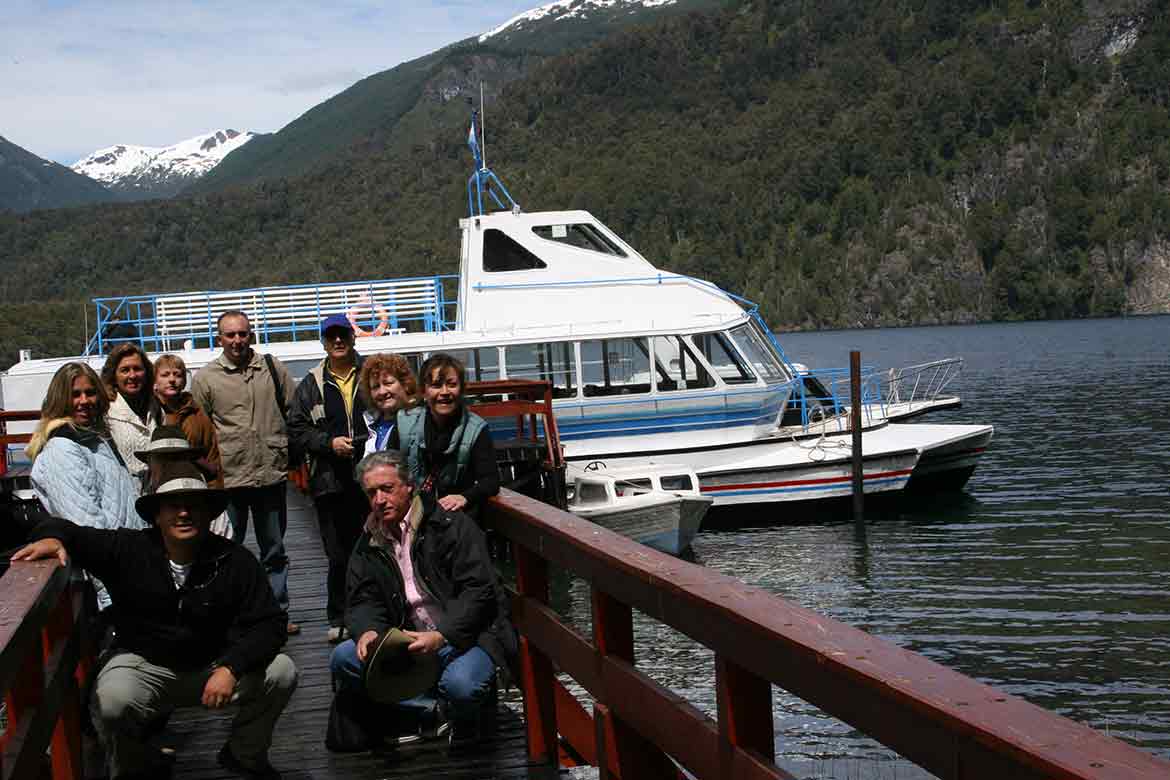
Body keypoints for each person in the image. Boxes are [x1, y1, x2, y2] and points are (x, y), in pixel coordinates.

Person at [11, 460, 298, 780]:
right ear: (157, 516)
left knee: (282, 671)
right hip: (146, 665)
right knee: (113, 698)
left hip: (213, 666)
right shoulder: (129, 549)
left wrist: (232, 666)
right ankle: (133, 766)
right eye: (173, 506)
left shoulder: (236, 560)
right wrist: (53, 538)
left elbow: (271, 623)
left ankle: (244, 754)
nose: (184, 514)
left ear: (208, 515)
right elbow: (65, 528)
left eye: (193, 506)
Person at [328, 450, 516, 749]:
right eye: (371, 492)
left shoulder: (450, 525)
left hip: (466, 637)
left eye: (387, 489)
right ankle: (431, 710)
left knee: (460, 685)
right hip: (407, 640)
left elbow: (479, 593)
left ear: (409, 486)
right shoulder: (369, 538)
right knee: (343, 658)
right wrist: (368, 629)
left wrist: (441, 636)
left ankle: (430, 706)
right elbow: (362, 597)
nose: (379, 500)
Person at [190, 310, 299, 635]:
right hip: (230, 478)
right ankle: (229, 615)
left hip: (270, 475)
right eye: (230, 335)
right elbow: (199, 429)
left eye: (243, 334)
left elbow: (293, 409)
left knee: (275, 549)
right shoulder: (206, 378)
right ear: (219, 338)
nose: (237, 341)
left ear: (251, 334)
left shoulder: (271, 367)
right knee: (223, 548)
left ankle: (277, 613)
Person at [26, 362, 145, 608]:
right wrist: (111, 599)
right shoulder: (62, 448)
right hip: (117, 587)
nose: (84, 401)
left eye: (90, 393)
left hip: (131, 566)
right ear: (60, 400)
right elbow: (85, 524)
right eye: (75, 394)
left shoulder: (93, 438)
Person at [287, 314, 369, 644]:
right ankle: (338, 616)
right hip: (329, 482)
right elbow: (295, 428)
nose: (338, 341)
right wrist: (328, 444)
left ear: (352, 338)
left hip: (370, 480)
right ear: (324, 342)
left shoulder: (371, 374)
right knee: (337, 554)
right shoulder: (311, 382)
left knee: (372, 549)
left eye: (343, 335)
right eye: (331, 336)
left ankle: (371, 614)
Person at [387, 353, 498, 519]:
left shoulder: (476, 429)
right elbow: (390, 472)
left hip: (454, 518)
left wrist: (465, 497)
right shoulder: (404, 422)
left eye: (452, 385)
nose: (444, 392)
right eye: (436, 385)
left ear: (461, 390)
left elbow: (490, 480)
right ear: (424, 391)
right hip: (410, 514)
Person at [154, 353, 223, 488]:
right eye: (165, 375)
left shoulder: (196, 413)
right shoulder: (150, 412)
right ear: (154, 381)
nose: (172, 379)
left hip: (195, 488)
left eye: (177, 375)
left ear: (185, 381)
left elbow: (212, 453)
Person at [102, 343, 161, 490]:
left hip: (157, 496)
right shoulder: (105, 411)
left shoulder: (156, 406)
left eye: (137, 369)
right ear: (113, 375)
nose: (132, 375)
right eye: (124, 370)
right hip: (124, 494)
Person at [358, 352, 418, 458]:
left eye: (388, 383)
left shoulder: (418, 420)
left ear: (405, 384)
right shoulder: (370, 423)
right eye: (376, 386)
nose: (382, 392)